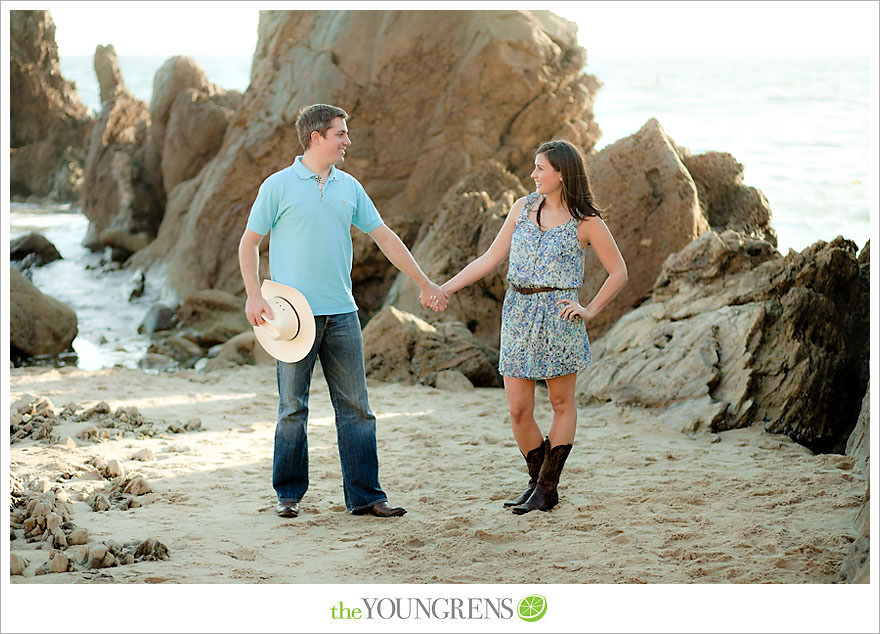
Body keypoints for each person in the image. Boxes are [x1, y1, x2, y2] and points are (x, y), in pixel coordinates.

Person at [239, 103, 448, 519]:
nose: (347, 141)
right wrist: (253, 296)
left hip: (343, 313)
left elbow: (385, 237)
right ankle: (289, 494)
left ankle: (366, 496)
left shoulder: (349, 187)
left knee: (356, 408)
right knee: (292, 408)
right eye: (341, 134)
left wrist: (424, 281)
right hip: (292, 318)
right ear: (317, 137)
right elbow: (249, 243)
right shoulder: (278, 186)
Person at [436, 140, 627, 514]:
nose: (533, 174)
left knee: (560, 403)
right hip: (518, 312)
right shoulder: (522, 208)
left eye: (540, 168)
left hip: (559, 316)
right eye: (534, 167)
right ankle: (535, 481)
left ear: (562, 173)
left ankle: (546, 487)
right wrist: (444, 287)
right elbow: (489, 258)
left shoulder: (586, 221)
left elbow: (619, 271)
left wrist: (589, 310)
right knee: (518, 409)